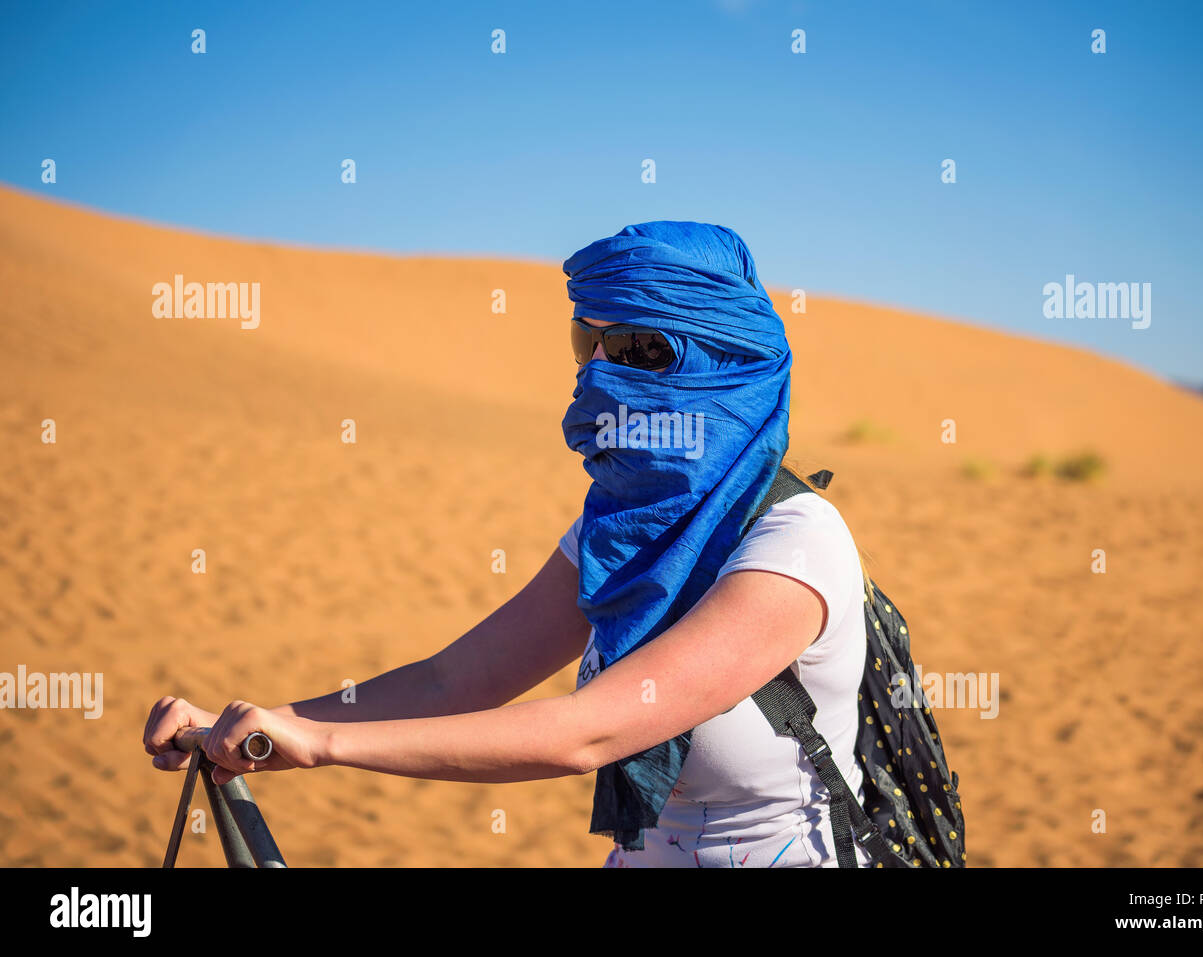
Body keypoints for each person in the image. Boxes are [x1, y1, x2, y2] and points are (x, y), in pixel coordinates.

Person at [142, 221, 872, 867]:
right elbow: (454, 681)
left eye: (636, 347)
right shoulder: (622, 529)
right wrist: (263, 726)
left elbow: (588, 733)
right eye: (586, 341)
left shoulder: (797, 546)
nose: (597, 373)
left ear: (719, 364)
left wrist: (327, 747)